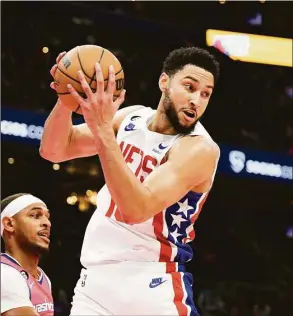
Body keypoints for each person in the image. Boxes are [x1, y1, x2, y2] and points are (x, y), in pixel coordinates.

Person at [40, 46, 220, 315]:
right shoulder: (131, 117)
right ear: (164, 82)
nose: (197, 100)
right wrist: (66, 97)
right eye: (189, 87)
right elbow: (54, 149)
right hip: (95, 284)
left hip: (151, 285)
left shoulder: (198, 149)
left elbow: (136, 209)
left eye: (205, 94)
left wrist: (102, 129)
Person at [1, 193, 54, 316]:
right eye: (35, 216)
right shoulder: (4, 274)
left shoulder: (43, 277)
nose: (47, 223)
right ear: (9, 224)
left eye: (47, 217)